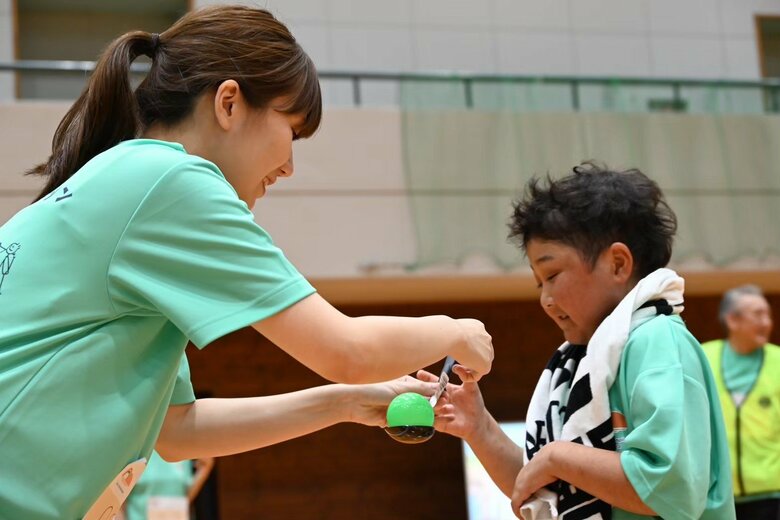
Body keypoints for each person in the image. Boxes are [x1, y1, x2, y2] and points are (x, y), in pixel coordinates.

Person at [0, 5, 494, 518]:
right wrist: (455, 330)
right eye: (293, 131)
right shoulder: (171, 183)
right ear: (230, 103)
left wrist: (343, 404)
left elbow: (176, 429)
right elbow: (347, 350)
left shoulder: (128, 178)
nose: (289, 166)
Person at [420, 163, 735, 519]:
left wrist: (558, 456)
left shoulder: (656, 340)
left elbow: (670, 489)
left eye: (552, 275)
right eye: (540, 283)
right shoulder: (578, 364)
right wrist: (479, 427)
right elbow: (540, 487)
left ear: (618, 264)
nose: (546, 298)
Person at [702, 285, 780, 519]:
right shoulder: (704, 357)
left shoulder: (778, 361)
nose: (766, 322)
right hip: (717, 492)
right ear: (733, 320)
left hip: (771, 493)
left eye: (768, 314)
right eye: (758, 315)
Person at [122, 452, 214, 520]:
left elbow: (184, 496)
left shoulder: (180, 449)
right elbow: (119, 500)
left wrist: (204, 470)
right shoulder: (139, 450)